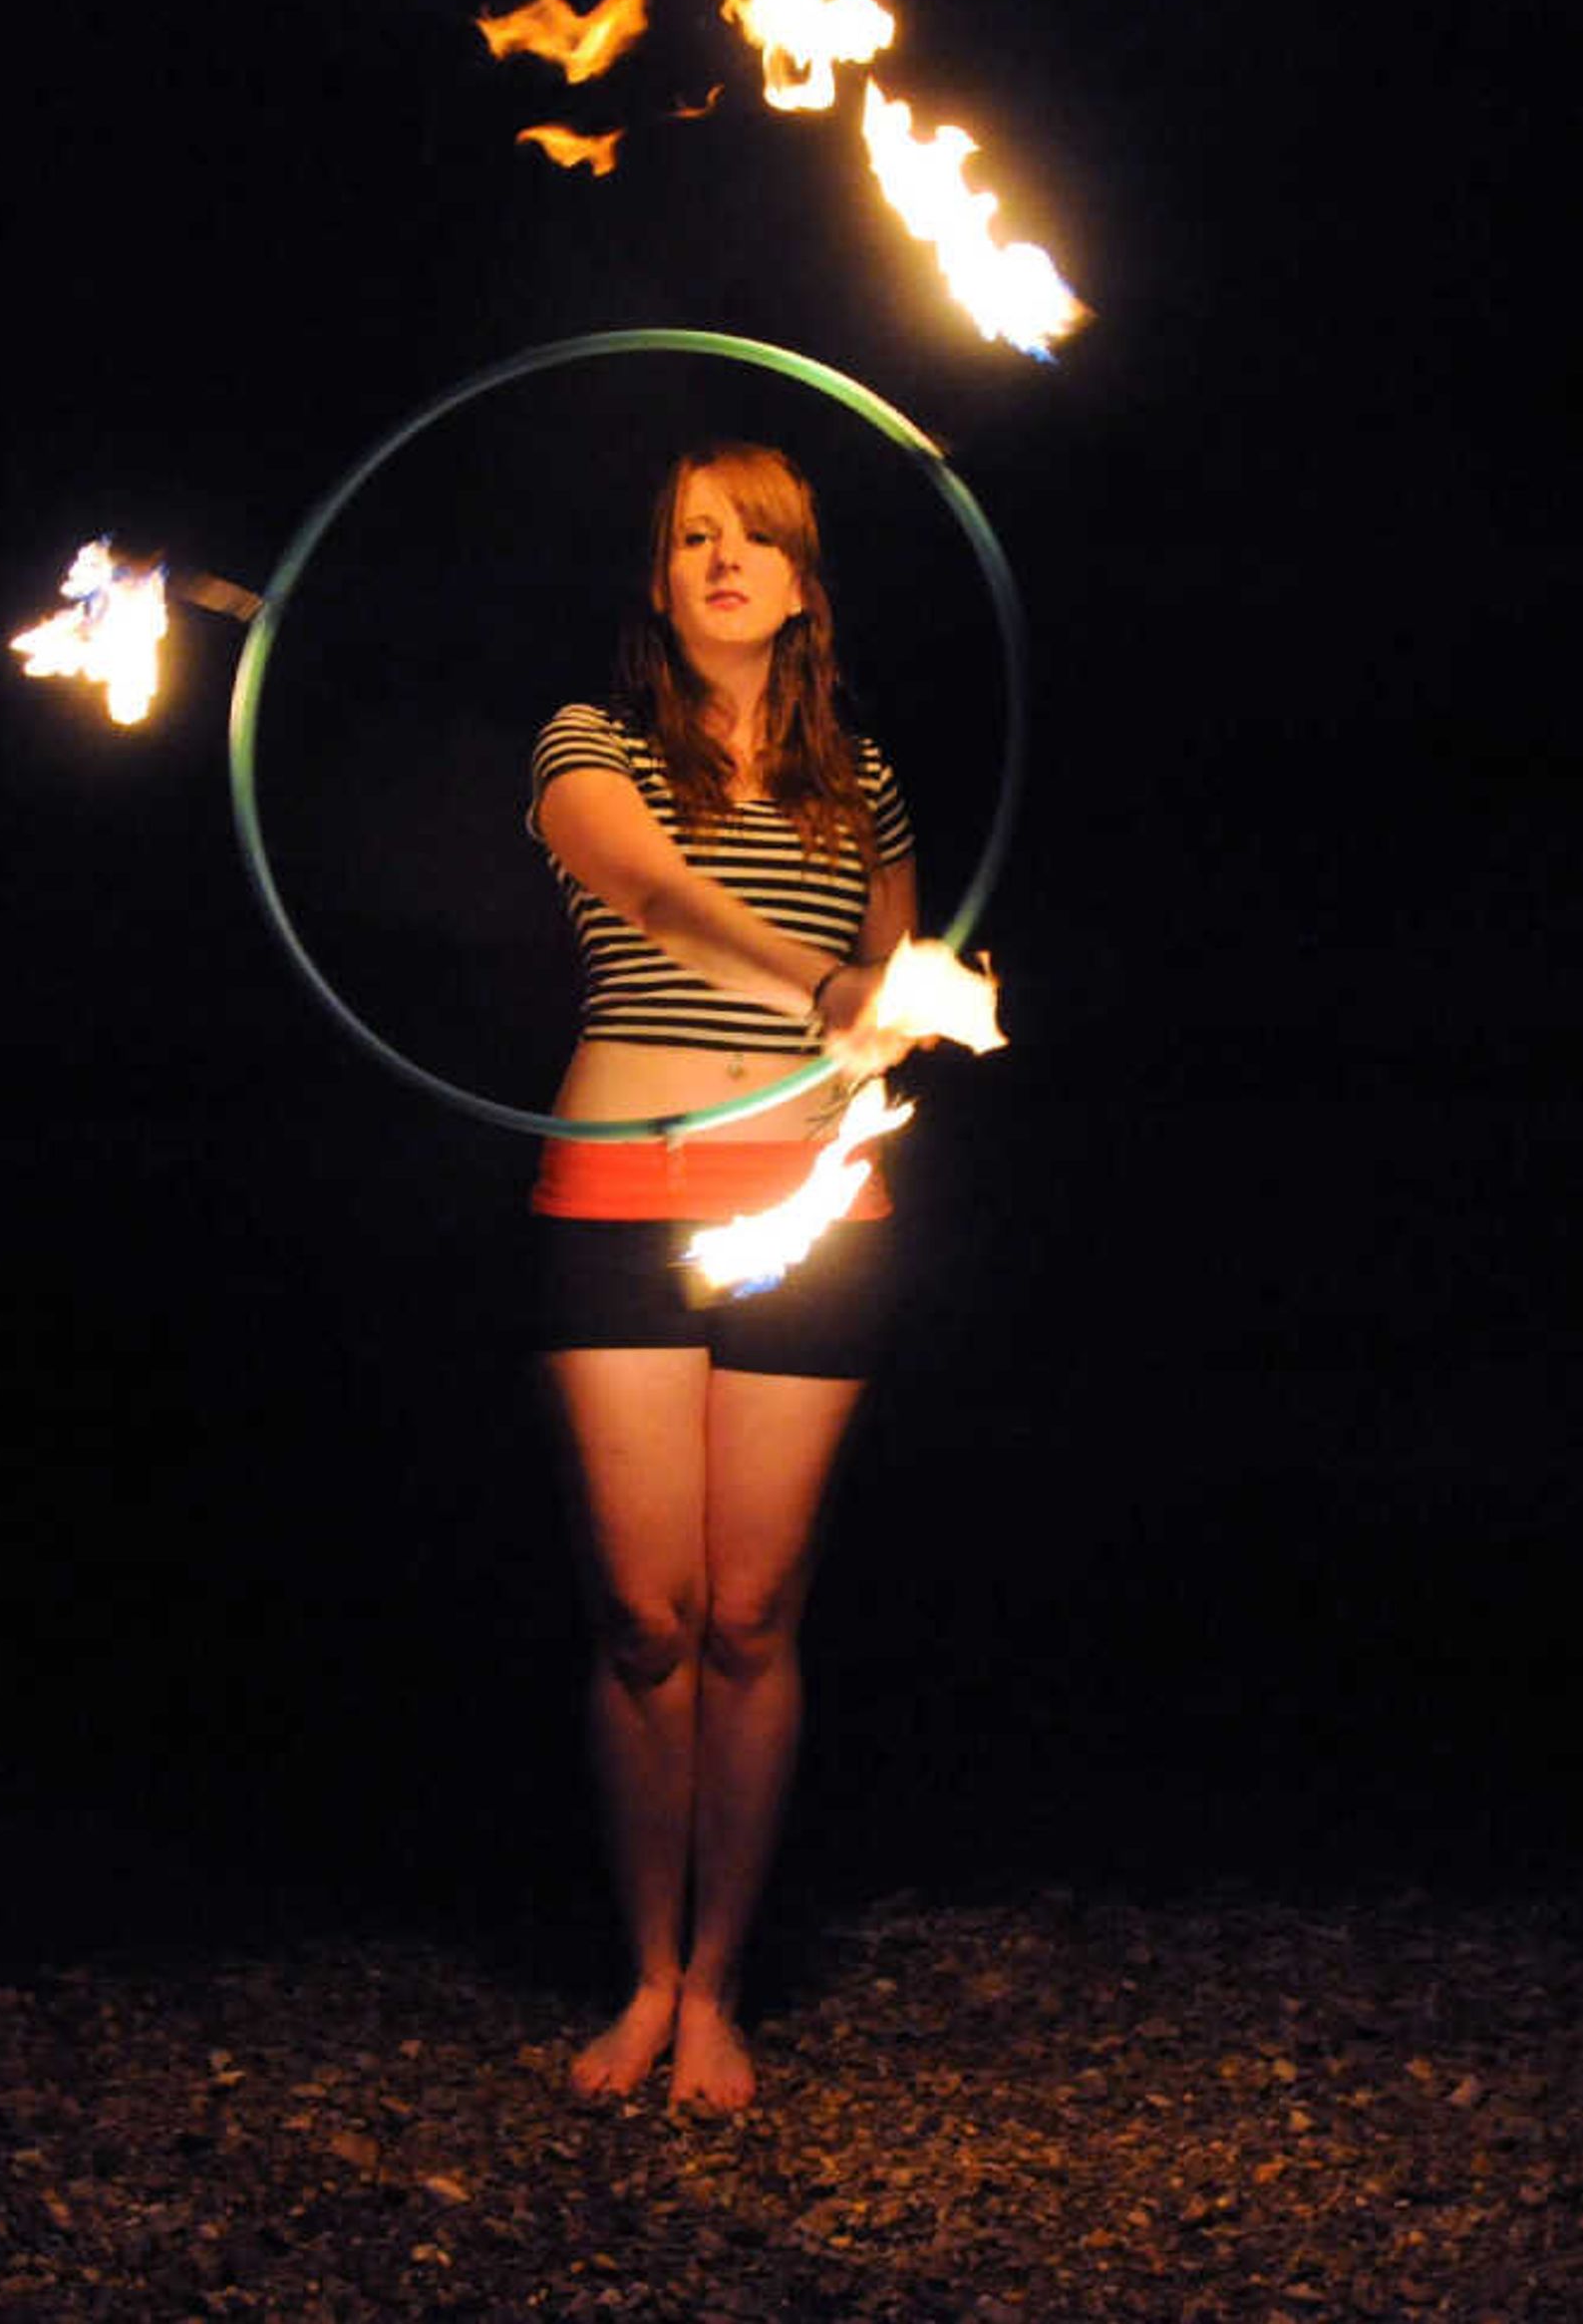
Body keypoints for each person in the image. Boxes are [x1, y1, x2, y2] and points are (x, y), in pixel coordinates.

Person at [523, 441, 925, 2111]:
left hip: (816, 1221)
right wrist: (822, 977)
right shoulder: (589, 744)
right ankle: (639, 1966)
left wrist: (888, 1004)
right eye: (691, 534)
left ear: (804, 579)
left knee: (752, 1616)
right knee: (644, 1618)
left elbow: (897, 997)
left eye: (753, 534)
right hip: (621, 1196)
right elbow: (654, 893)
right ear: (659, 577)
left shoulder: (867, 780)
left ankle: (712, 1985)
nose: (720, 557)